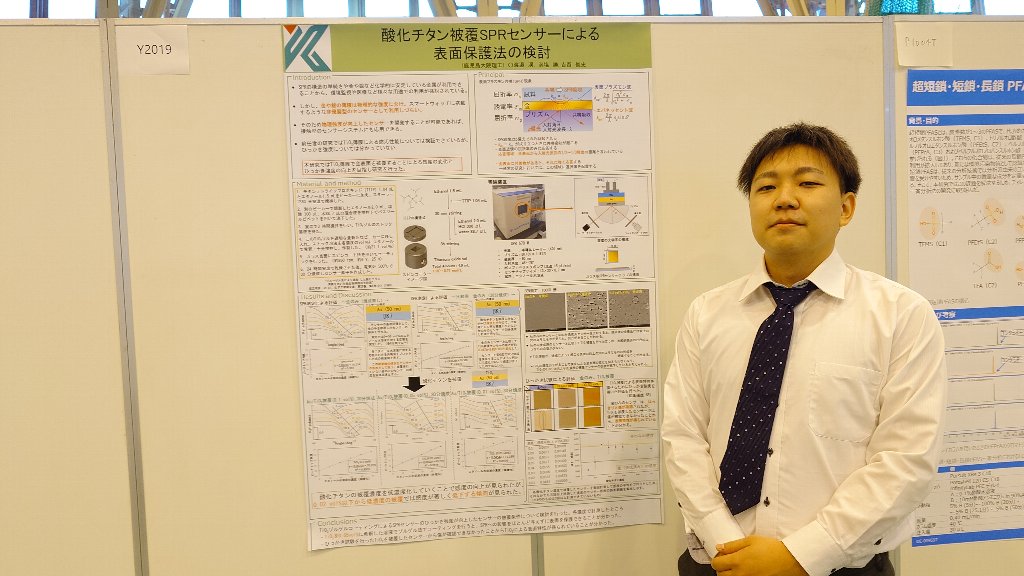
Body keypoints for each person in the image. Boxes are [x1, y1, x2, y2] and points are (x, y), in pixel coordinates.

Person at [662, 123, 946, 576]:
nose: (784, 199)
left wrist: (800, 555)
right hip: (719, 563)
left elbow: (905, 460)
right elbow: (683, 438)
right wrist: (725, 543)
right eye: (766, 187)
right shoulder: (707, 314)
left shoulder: (900, 315)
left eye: (808, 183)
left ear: (846, 207)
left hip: (841, 567)